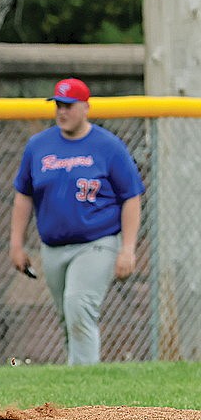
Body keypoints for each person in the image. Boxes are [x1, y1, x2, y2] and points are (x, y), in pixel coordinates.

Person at [9, 78, 144, 365]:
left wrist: (128, 248)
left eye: (69, 106)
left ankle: (86, 381)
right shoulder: (39, 145)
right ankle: (78, 384)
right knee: (67, 315)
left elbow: (131, 197)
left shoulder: (108, 146)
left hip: (97, 242)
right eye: (59, 105)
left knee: (78, 305)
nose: (62, 111)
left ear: (86, 107)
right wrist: (16, 244)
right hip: (53, 247)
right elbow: (23, 195)